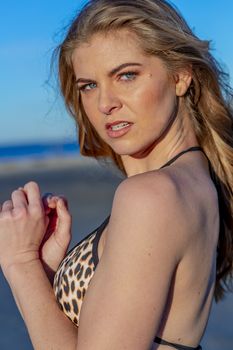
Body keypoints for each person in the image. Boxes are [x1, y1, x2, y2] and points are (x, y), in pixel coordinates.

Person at [0, 0, 232, 349]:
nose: (105, 102)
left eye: (126, 75)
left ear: (181, 76)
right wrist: (49, 273)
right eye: (88, 85)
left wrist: (21, 264)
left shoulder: (152, 196)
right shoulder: (193, 183)